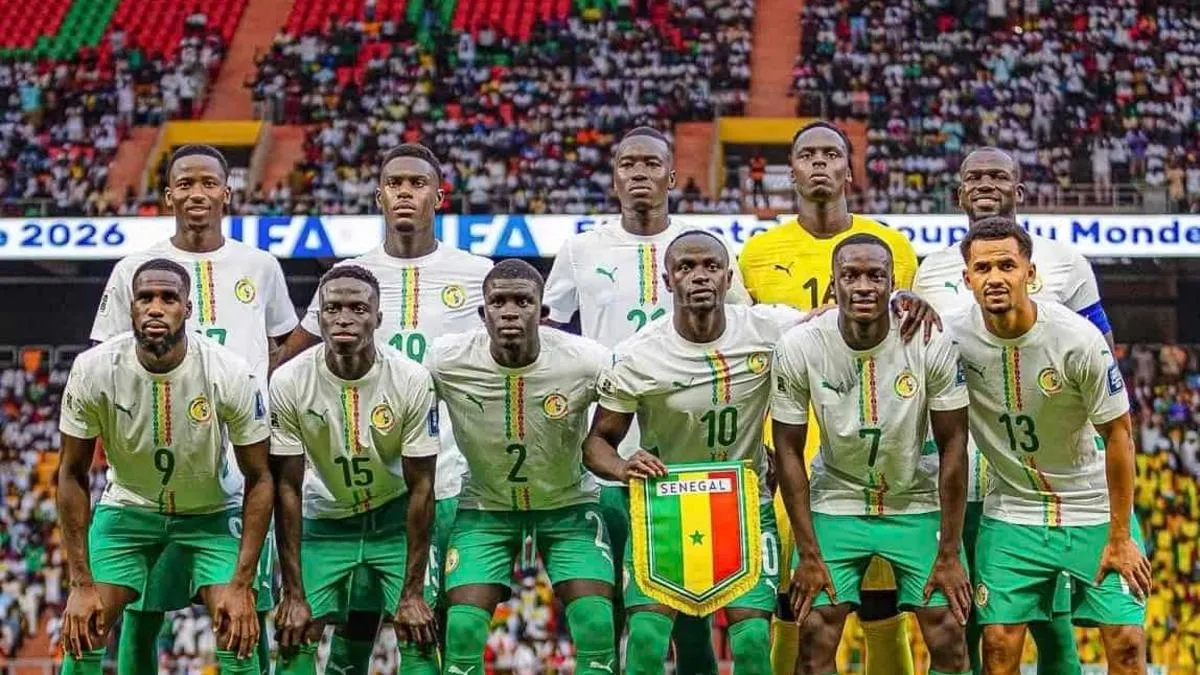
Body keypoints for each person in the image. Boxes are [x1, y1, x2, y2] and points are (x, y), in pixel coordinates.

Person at [543, 126, 748, 674]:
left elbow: (745, 335)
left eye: (651, 164)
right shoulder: (581, 249)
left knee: (691, 613)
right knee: (604, 610)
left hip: (684, 458)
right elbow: (548, 333)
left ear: (672, 176)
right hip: (606, 453)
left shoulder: (703, 249)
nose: (639, 173)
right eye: (628, 164)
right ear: (614, 178)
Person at [278, 143, 491, 668]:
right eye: (394, 184)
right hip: (360, 476)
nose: (405, 193)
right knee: (358, 619)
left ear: (439, 196)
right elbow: (291, 361)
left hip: (443, 476)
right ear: (379, 196)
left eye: (417, 184)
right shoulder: (350, 277)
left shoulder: (476, 274)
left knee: (433, 624)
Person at [90, 144, 296, 675]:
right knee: (142, 611)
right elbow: (106, 362)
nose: (197, 193)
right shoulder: (134, 269)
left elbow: (281, 348)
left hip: (240, 469)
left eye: (208, 183)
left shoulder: (260, 266)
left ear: (227, 192)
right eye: (185, 184)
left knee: (246, 609)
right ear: (168, 195)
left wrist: (255, 404)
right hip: (155, 465)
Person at [912, 146, 1113, 675]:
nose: (985, 184)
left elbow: (1104, 355)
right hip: (959, 470)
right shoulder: (930, 270)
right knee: (960, 626)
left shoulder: (1066, 262)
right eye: (973, 177)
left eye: (997, 176)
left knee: (1052, 628)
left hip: (1037, 480)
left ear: (1019, 190)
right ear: (958, 193)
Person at [737, 120, 923, 675]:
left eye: (831, 153)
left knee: (882, 606)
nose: (819, 163)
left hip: (875, 454)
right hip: (789, 449)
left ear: (849, 169)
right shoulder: (757, 255)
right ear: (791, 171)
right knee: (793, 604)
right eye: (807, 154)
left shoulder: (894, 248)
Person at [584, 231, 806, 675]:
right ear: (668, 281)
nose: (699, 276)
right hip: (666, 505)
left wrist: (902, 300)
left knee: (752, 641)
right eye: (686, 267)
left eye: (710, 266)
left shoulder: (767, 328)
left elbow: (835, 317)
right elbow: (596, 444)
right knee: (646, 641)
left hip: (745, 504)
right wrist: (622, 466)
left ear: (728, 278)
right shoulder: (637, 355)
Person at [945, 217, 1150, 675]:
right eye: (982, 268)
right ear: (967, 279)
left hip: (1093, 507)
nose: (995, 277)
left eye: (1007, 265)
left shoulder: (1077, 339)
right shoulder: (950, 337)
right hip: (1013, 508)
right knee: (998, 648)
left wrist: (1120, 537)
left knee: (1126, 644)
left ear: (1030, 273)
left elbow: (1119, 434)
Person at [57, 258, 273, 675]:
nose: (156, 308)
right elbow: (71, 473)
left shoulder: (229, 371)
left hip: (212, 512)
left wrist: (241, 583)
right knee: (84, 631)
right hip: (128, 510)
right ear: (131, 307)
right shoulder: (93, 369)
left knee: (237, 634)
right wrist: (80, 584)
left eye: (169, 298)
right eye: (145, 298)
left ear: (187, 309)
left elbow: (260, 477)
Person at [772, 234, 972, 675]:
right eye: (851, 276)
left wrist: (950, 552)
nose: (864, 286)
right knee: (814, 634)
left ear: (893, 283)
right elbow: (787, 448)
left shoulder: (929, 340)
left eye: (876, 276)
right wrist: (808, 553)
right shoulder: (800, 345)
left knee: (950, 635)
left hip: (915, 500)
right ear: (834, 284)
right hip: (836, 500)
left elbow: (954, 444)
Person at [431, 260, 618, 675]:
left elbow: (629, 403)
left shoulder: (587, 361)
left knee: (597, 625)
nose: (510, 312)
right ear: (482, 312)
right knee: (461, 629)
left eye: (523, 301)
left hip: (569, 504)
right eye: (498, 302)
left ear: (543, 311)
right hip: (484, 507)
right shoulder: (446, 361)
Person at [269, 265, 440, 674]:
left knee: (418, 633)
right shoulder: (289, 381)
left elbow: (422, 487)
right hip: (324, 521)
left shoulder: (411, 379)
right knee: (295, 633)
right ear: (318, 318)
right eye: (333, 308)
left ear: (378, 318)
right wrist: (293, 592)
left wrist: (413, 592)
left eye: (358, 308)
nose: (344, 318)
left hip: (393, 520)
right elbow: (287, 487)